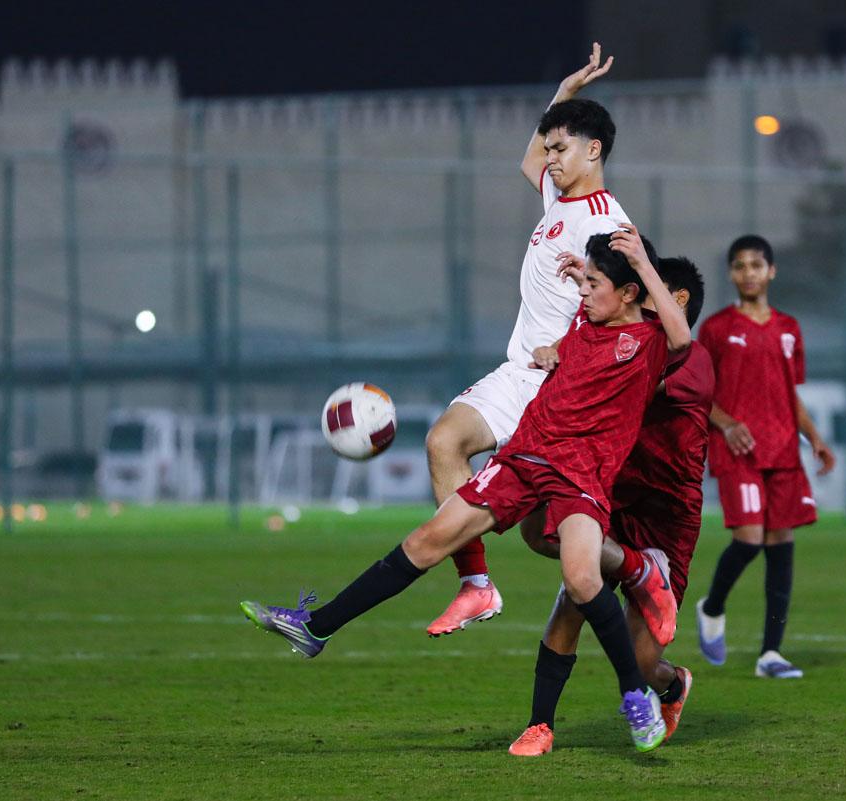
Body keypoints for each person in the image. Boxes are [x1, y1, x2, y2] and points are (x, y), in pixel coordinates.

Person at [241, 226, 690, 753]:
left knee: (582, 577)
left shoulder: (650, 340)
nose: (584, 292)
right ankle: (316, 627)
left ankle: (635, 696)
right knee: (428, 539)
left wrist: (642, 264)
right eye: (584, 283)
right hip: (525, 455)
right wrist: (557, 336)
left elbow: (682, 337)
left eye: (594, 285)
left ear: (631, 292)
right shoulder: (584, 318)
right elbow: (576, 341)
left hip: (581, 477)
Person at [423, 43, 631, 637]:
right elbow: (529, 160)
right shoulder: (558, 199)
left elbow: (627, 308)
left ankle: (639, 569)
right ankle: (476, 585)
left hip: (562, 387)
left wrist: (570, 346)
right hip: (520, 373)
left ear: (594, 151)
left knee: (545, 535)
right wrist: (564, 95)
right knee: (444, 442)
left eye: (562, 148)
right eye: (551, 147)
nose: (549, 157)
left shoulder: (607, 222)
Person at [508, 256, 712, 757]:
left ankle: (671, 684)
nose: (633, 293)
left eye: (643, 285)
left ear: (676, 299)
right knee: (572, 594)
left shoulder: (689, 359)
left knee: (640, 665)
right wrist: (558, 346)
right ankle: (539, 725)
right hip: (611, 495)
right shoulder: (623, 339)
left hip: (665, 522)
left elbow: (625, 374)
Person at [693, 235, 835, 679]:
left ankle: (770, 654)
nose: (748, 273)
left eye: (756, 265)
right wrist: (727, 424)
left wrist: (814, 437)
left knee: (781, 548)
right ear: (731, 273)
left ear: (771, 271)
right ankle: (712, 606)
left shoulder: (789, 328)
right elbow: (698, 392)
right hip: (738, 450)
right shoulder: (716, 329)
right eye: (739, 266)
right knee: (749, 540)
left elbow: (790, 393)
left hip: (783, 449)